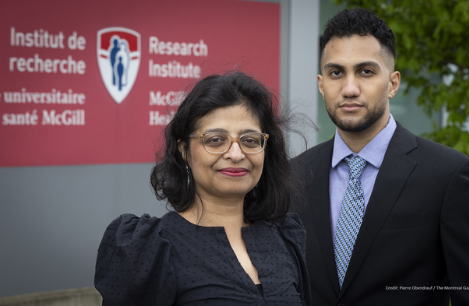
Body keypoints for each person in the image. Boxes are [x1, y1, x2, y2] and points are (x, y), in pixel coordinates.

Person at [290, 8, 469, 306]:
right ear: (322, 85)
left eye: (366, 71)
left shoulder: (450, 176)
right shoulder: (293, 176)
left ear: (393, 83)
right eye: (336, 73)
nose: (349, 88)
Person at [95, 72, 310, 305]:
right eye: (215, 139)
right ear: (184, 150)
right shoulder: (152, 248)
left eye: (250, 140)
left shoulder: (284, 237)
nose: (236, 154)